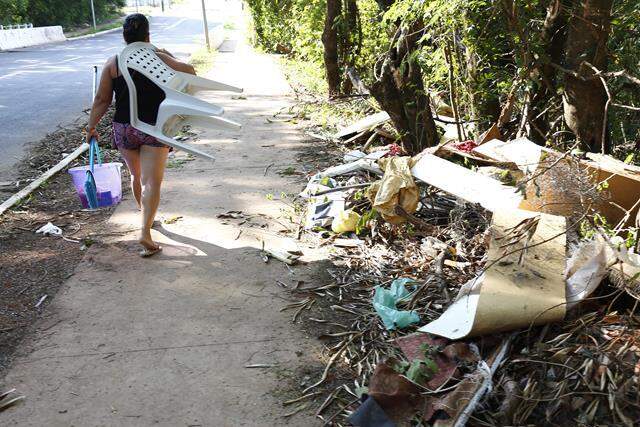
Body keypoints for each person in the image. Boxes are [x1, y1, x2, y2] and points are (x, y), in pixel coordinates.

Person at [86, 14, 196, 257]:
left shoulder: (113, 62)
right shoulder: (158, 57)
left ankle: (145, 217)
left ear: (124, 37)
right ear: (148, 36)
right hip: (154, 127)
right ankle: (145, 230)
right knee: (152, 182)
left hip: (124, 128)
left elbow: (102, 100)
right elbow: (190, 72)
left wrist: (91, 127)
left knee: (137, 176)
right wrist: (170, 56)